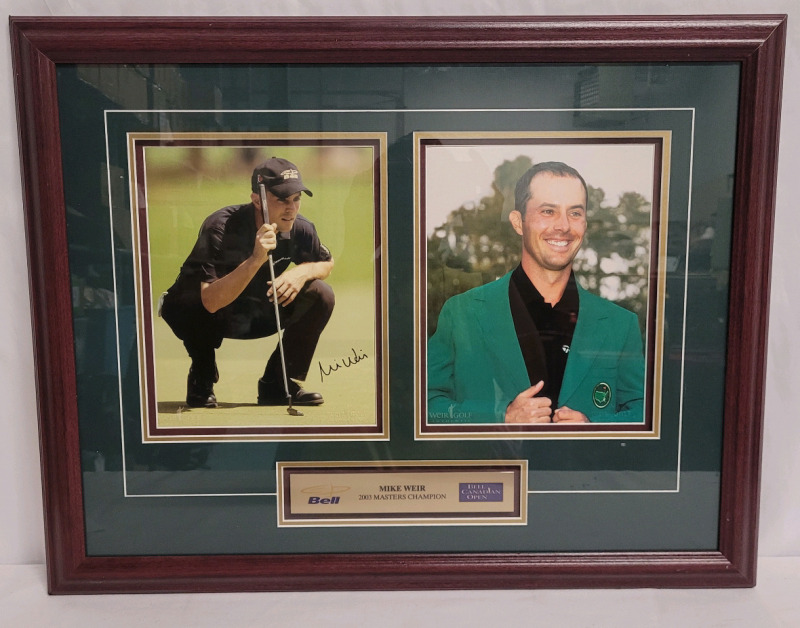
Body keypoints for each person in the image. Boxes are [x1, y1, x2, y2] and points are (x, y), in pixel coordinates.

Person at [427, 161, 645, 424]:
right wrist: (501, 417)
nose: (563, 226)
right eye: (548, 211)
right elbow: (425, 406)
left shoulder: (620, 325)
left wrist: (593, 428)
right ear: (518, 222)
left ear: (585, 223)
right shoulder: (462, 313)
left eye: (575, 213)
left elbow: (645, 412)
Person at [160, 157, 334, 409]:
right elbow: (209, 302)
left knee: (321, 294)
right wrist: (255, 259)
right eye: (282, 200)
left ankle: (277, 384)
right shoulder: (220, 226)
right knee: (188, 302)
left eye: (296, 199)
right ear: (257, 200)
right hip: (203, 313)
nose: (291, 209)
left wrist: (302, 272)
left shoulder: (301, 228)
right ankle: (202, 372)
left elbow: (326, 264)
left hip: (254, 311)